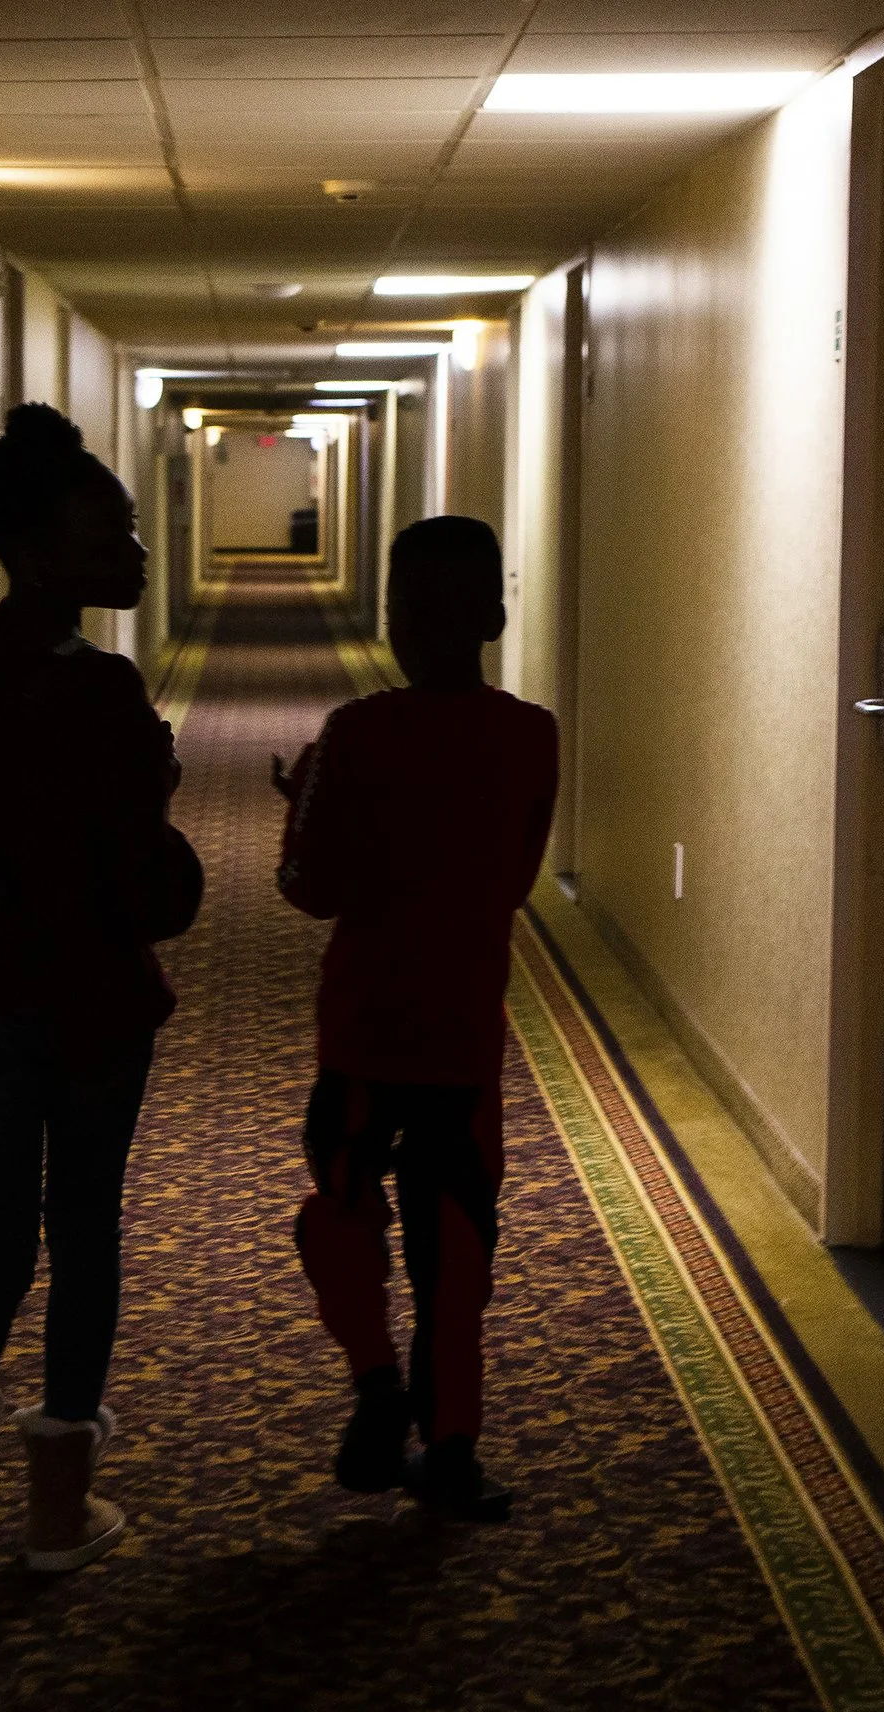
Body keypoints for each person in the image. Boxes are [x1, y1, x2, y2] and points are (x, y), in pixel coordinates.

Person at [0, 403, 202, 1625]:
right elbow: (159, 893)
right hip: (92, 1005)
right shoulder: (108, 693)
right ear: (36, 550)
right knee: (82, 1231)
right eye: (106, 534)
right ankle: (60, 1512)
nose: (130, 552)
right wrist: (152, 790)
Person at [274, 515, 558, 1522]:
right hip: (461, 1033)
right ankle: (449, 1447)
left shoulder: (355, 733)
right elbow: (516, 879)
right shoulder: (532, 734)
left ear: (393, 621)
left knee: (342, 1208)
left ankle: (372, 1376)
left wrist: (303, 795)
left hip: (359, 1029)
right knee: (457, 1248)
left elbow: (305, 884)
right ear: (492, 614)